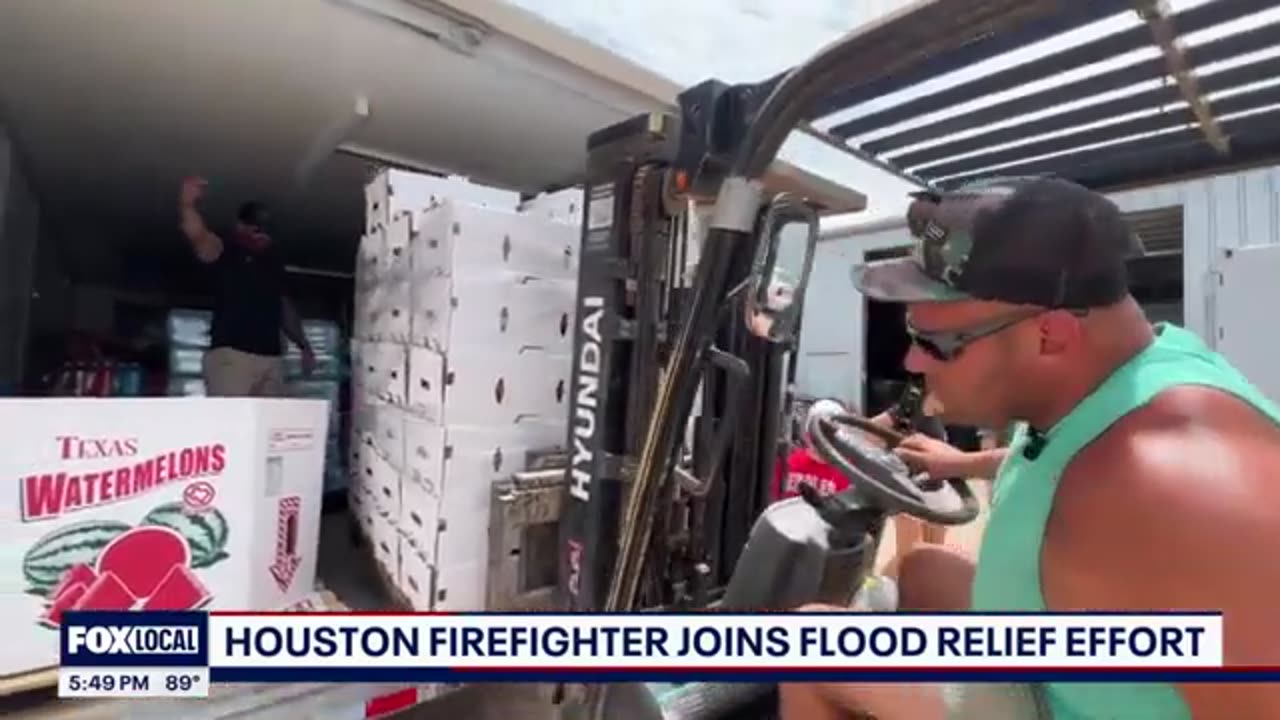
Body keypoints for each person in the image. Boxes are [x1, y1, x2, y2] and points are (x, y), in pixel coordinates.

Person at [780, 176, 1280, 719]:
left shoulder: (1178, 485)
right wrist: (960, 463)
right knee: (924, 569)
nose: (911, 364)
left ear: (1050, 335)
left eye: (935, 344)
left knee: (811, 642)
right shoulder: (1102, 391)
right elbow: (1065, 455)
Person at [178, 177, 314, 396]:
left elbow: (284, 308)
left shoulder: (273, 262)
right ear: (240, 226)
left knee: (269, 426)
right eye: (253, 227)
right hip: (232, 356)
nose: (259, 233)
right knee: (231, 422)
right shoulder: (227, 250)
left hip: (271, 358)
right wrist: (187, 205)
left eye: (263, 229)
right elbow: (199, 236)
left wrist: (304, 346)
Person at [773, 399, 854, 501]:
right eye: (818, 429)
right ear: (808, 430)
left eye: (828, 431)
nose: (822, 437)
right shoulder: (786, 463)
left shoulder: (849, 473)